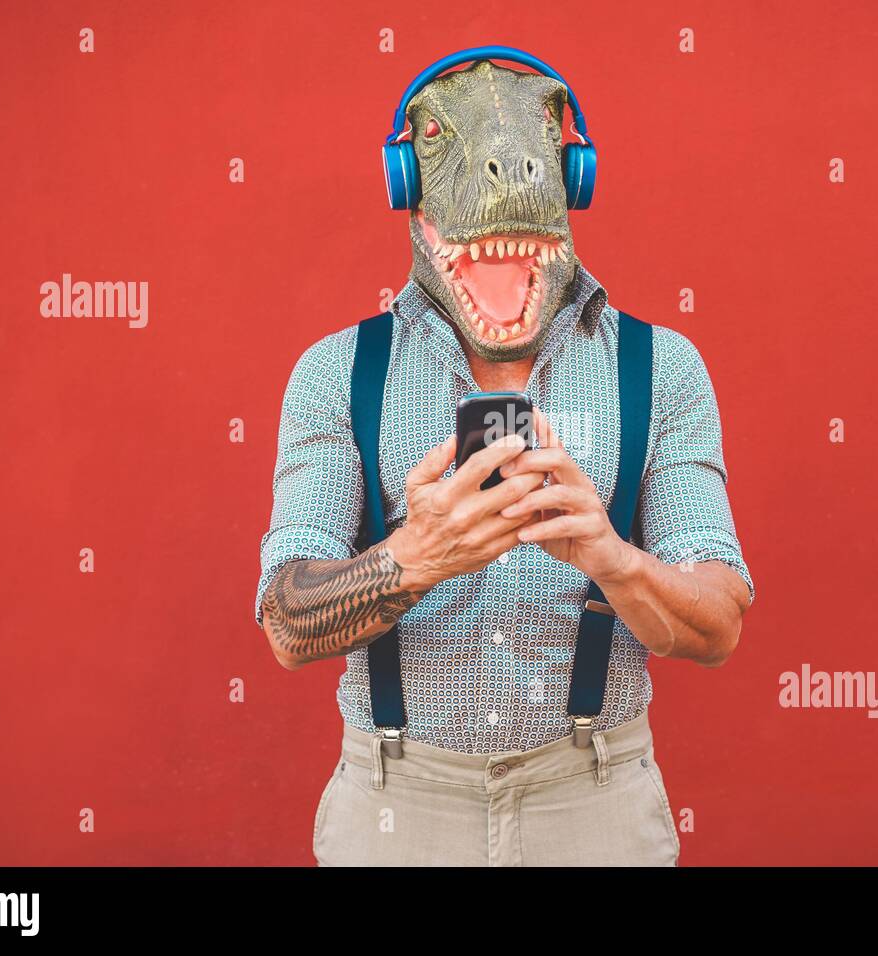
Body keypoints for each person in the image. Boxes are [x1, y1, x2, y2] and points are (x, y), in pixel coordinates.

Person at [255, 48, 753, 866]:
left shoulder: (662, 368)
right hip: (397, 807)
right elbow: (284, 624)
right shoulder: (335, 373)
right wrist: (412, 559)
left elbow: (719, 624)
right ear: (407, 187)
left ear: (573, 175)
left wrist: (611, 556)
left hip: (596, 804)